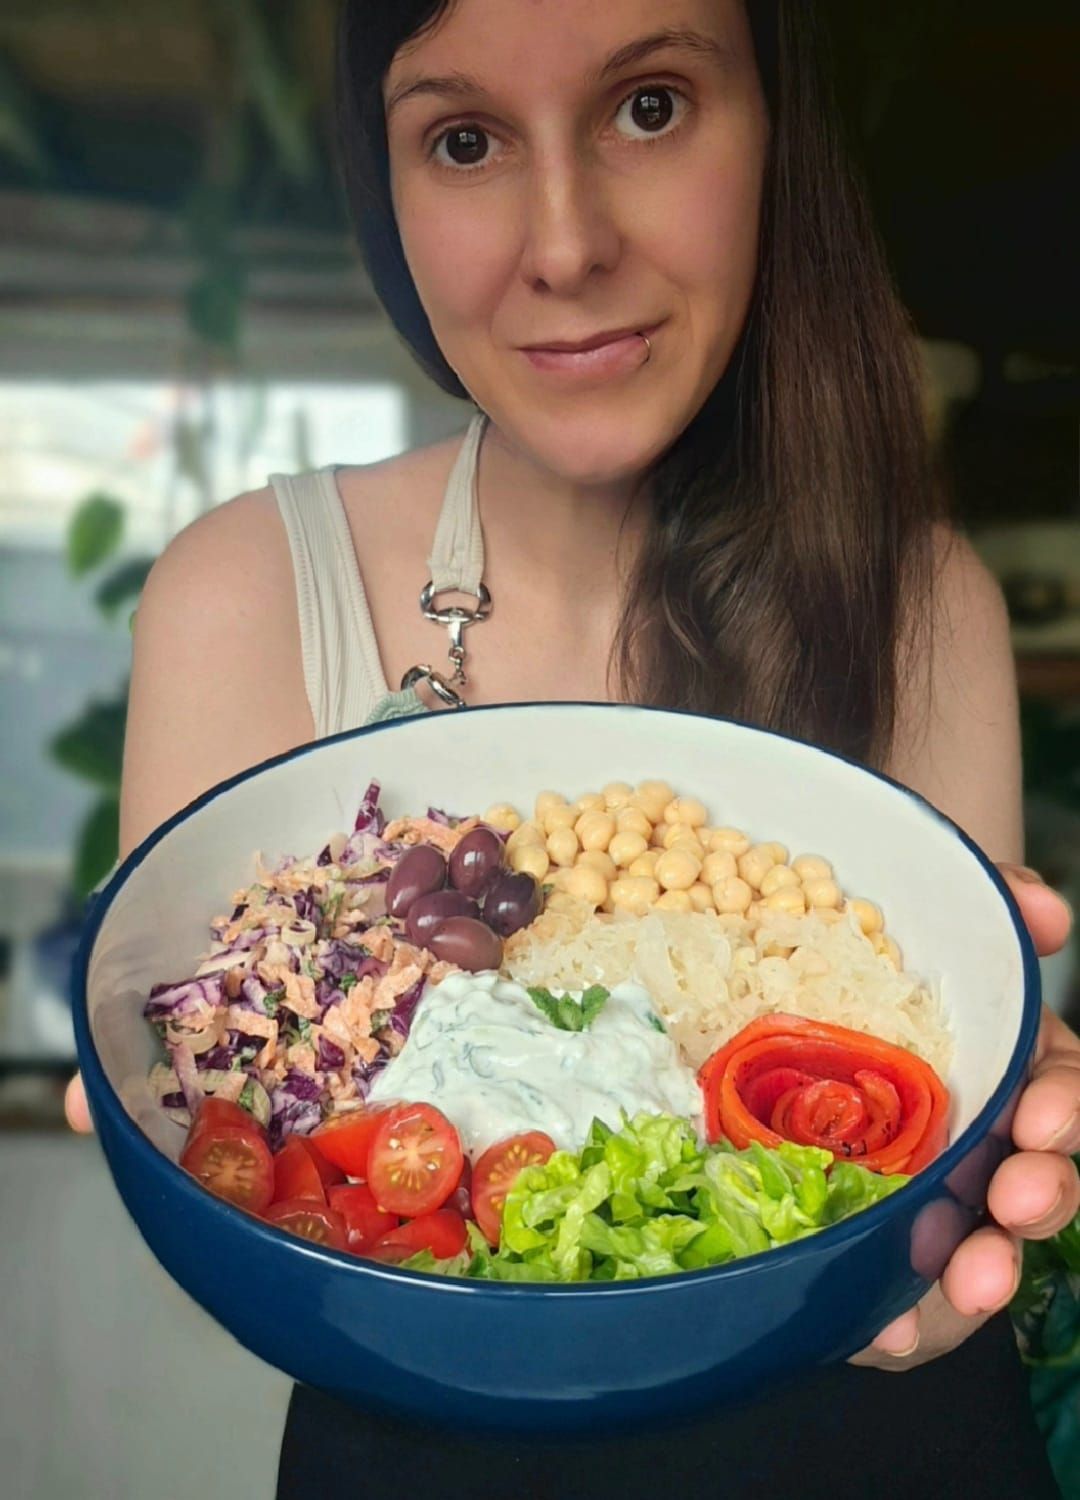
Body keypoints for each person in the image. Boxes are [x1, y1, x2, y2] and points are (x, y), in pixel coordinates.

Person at [67, 1, 1077, 1495]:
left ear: (775, 127)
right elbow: (233, 1172)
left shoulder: (926, 601)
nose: (563, 243)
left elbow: (917, 1127)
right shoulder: (243, 594)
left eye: (650, 106)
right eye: (463, 139)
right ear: (386, 185)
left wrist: (947, 1224)